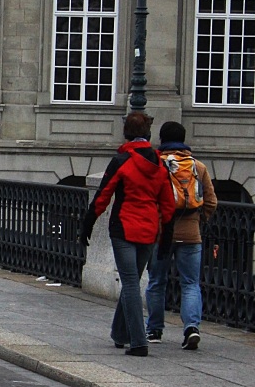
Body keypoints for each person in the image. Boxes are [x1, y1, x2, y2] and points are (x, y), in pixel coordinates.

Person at [81, 112, 176, 357]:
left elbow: (103, 196)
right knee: (132, 281)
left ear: (126, 133)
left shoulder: (121, 160)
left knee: (130, 283)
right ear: (148, 134)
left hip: (123, 227)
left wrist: (87, 225)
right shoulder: (160, 164)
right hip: (149, 230)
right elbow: (167, 205)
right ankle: (120, 333)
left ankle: (138, 341)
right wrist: (166, 239)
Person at [145, 121, 219, 350]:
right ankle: (191, 329)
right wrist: (198, 220)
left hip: (161, 233)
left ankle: (155, 330)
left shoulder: (156, 164)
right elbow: (211, 202)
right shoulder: (198, 167)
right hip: (191, 233)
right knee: (190, 283)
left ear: (162, 139)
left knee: (157, 281)